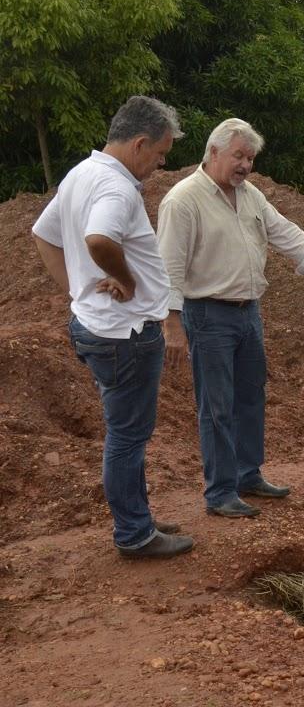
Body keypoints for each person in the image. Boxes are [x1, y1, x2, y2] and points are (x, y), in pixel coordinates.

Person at [157, 118, 304, 518]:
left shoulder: (250, 196)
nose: (245, 165)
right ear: (213, 152)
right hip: (207, 315)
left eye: (250, 158)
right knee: (215, 406)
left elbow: (286, 233)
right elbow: (169, 266)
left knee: (250, 397)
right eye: (239, 156)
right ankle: (219, 492)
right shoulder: (183, 200)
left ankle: (247, 474)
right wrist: (172, 323)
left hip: (248, 312)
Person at [31, 96, 195, 559]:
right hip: (124, 335)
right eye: (160, 154)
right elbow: (99, 240)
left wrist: (76, 292)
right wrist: (124, 280)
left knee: (126, 430)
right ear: (139, 143)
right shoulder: (115, 188)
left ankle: (136, 515)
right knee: (127, 435)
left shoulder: (82, 173)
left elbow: (43, 235)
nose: (161, 164)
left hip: (98, 327)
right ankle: (134, 534)